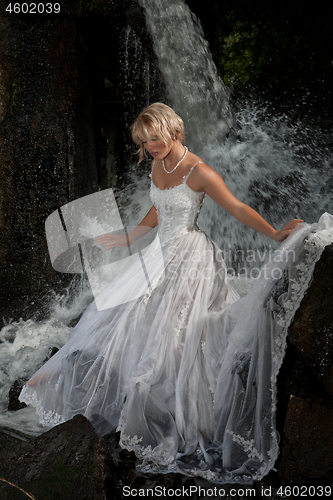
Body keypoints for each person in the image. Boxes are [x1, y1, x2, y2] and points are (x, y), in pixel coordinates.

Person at [19, 103, 333, 484]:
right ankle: (68, 383)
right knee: (116, 317)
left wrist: (274, 233)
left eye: (154, 139)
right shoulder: (157, 165)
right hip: (157, 255)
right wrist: (128, 236)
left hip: (190, 257)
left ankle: (182, 420)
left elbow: (236, 207)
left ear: (173, 131)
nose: (150, 147)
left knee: (177, 338)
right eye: (144, 141)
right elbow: (158, 211)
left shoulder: (199, 172)